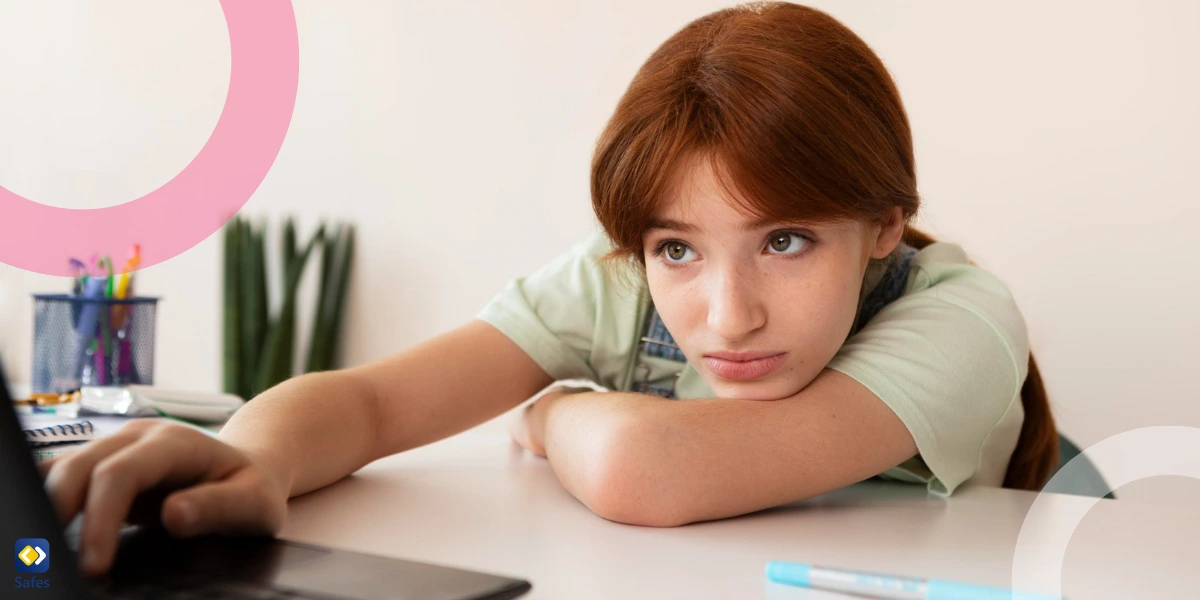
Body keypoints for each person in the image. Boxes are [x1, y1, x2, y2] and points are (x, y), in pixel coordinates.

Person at [41, 1, 1057, 576]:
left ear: (883, 226)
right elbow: (376, 400)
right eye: (677, 249)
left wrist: (554, 412)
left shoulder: (963, 320)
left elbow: (640, 472)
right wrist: (254, 459)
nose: (727, 311)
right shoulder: (618, 281)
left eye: (786, 241)